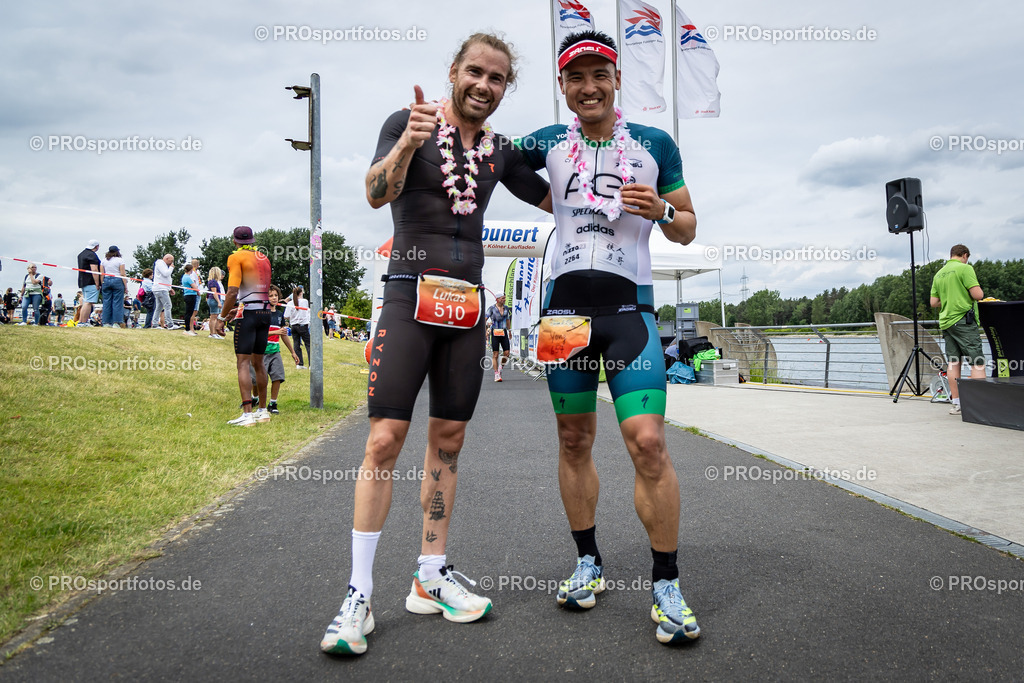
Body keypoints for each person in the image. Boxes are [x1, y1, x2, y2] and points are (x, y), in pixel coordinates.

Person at [319, 32, 551, 656]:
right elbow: (374, 193)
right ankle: (357, 595)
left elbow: (561, 197)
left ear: (506, 89)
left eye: (497, 78)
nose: (483, 84)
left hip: (467, 310)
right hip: (408, 298)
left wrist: (603, 155)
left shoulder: (500, 153)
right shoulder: (407, 122)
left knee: (448, 443)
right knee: (384, 439)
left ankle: (430, 574)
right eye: (475, 71)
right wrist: (406, 145)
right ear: (453, 72)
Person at [516, 30, 700, 644]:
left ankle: (666, 582)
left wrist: (663, 213)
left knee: (647, 442)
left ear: (616, 80)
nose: (588, 87)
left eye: (600, 75)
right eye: (576, 78)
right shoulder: (547, 142)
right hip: (563, 317)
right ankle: (588, 563)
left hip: (630, 313)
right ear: (564, 86)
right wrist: (548, 199)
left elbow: (689, 229)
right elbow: (494, 159)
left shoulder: (653, 144)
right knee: (573, 439)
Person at [210, 226, 273, 427]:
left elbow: (232, 291)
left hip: (249, 315)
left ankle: (247, 414)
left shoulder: (235, 258)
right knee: (259, 362)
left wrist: (220, 317)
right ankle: (263, 411)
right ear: (252, 240)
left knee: (243, 363)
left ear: (235, 242)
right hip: (265, 313)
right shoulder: (263, 257)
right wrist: (236, 308)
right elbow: (253, 291)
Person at [930, 244, 986, 415]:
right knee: (977, 361)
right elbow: (978, 295)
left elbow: (934, 303)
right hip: (963, 321)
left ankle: (957, 403)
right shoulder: (965, 269)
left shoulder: (939, 274)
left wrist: (949, 299)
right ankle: (979, 404)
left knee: (954, 362)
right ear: (965, 255)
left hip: (946, 323)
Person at [248, 285, 300, 415]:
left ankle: (273, 403)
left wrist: (293, 352)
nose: (274, 298)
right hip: (260, 352)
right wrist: (276, 331)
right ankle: (255, 398)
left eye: (276, 295)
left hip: (275, 351)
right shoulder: (260, 313)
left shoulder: (279, 315)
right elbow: (257, 334)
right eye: (270, 296)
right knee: (257, 380)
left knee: (278, 377)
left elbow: (283, 335)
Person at [485, 293, 511, 381]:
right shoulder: (491, 308)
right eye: (503, 298)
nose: (505, 299)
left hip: (504, 332)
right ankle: (496, 374)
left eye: (505, 298)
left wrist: (509, 331)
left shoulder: (506, 308)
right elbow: (485, 318)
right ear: (497, 299)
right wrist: (484, 329)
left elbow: (507, 320)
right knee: (495, 354)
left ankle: (500, 368)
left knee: (507, 353)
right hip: (495, 332)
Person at [76, 240, 102, 325]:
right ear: (96, 246)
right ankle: (83, 322)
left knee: (85, 302)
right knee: (89, 302)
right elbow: (94, 270)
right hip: (91, 281)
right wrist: (97, 283)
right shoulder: (92, 255)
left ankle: (81, 321)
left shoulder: (81, 254)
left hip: (82, 281)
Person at [100, 246, 127, 328]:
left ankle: (106, 322)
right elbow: (122, 274)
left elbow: (102, 274)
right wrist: (125, 286)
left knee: (106, 302)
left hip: (106, 280)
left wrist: (102, 283)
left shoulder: (103, 261)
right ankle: (116, 322)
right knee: (117, 302)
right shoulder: (120, 260)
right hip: (117, 280)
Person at [285, 286, 311, 369]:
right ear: (301, 292)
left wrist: (293, 316)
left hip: (294, 326)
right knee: (308, 345)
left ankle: (299, 364)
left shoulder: (290, 303)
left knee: (296, 345)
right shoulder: (304, 301)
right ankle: (311, 364)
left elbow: (286, 316)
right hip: (303, 326)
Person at [152, 254, 177, 329]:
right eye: (171, 260)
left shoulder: (162, 265)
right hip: (161, 289)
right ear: (166, 258)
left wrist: (169, 288)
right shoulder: (161, 264)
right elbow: (166, 274)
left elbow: (164, 278)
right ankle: (170, 324)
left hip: (160, 288)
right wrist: (171, 268)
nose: (172, 263)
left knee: (159, 307)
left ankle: (155, 324)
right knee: (168, 306)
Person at [206, 267, 225, 338]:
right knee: (213, 317)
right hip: (213, 300)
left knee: (215, 317)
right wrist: (219, 302)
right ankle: (212, 333)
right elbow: (214, 293)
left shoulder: (213, 281)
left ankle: (214, 333)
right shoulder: (213, 281)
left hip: (214, 300)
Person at [181, 263, 199, 336]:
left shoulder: (184, 277)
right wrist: (197, 289)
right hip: (190, 295)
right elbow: (194, 286)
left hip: (188, 295)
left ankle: (188, 329)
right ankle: (187, 329)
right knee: (189, 313)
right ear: (191, 270)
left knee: (189, 312)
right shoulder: (188, 277)